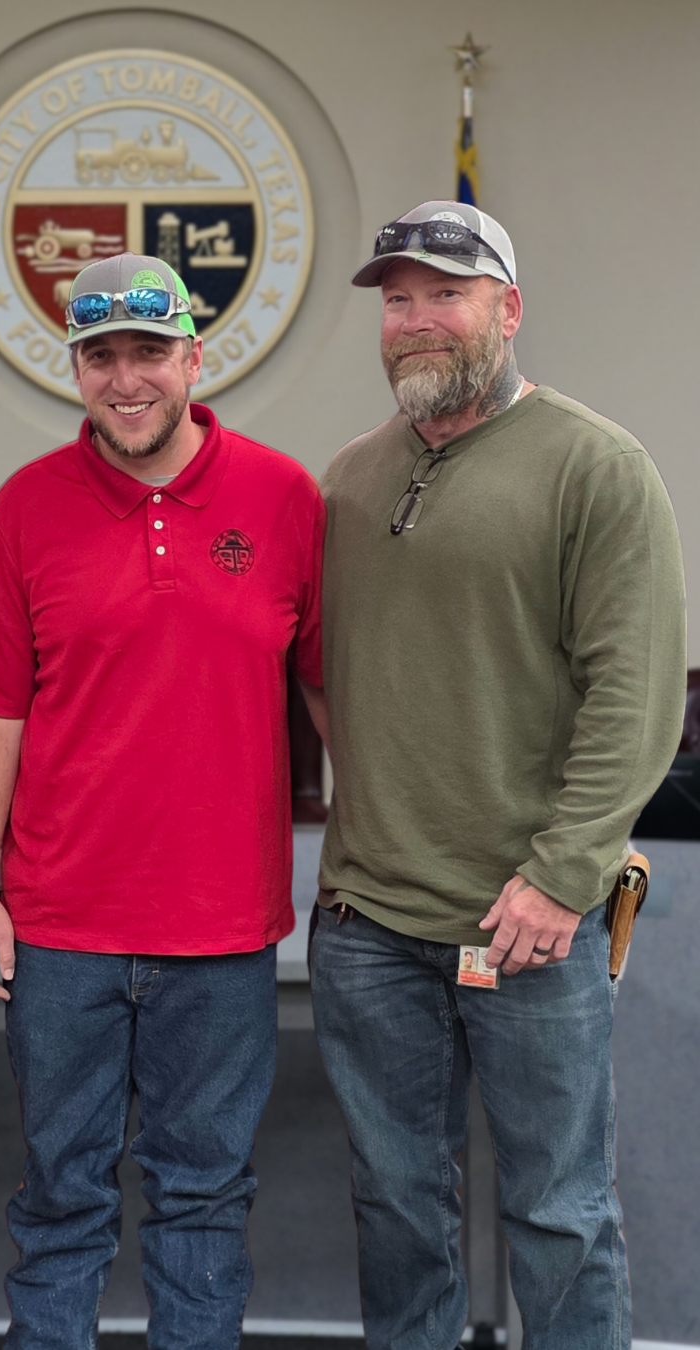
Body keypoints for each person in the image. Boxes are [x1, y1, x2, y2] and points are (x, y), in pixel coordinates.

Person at [311, 201, 686, 1350]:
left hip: (530, 923)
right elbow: (324, 672)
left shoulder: (597, 466)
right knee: (397, 1213)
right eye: (399, 299)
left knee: (561, 1217)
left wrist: (562, 876)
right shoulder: (349, 480)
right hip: (368, 925)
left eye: (448, 293)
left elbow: (637, 697)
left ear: (508, 309)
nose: (419, 320)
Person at [0, 252, 325, 1349]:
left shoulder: (284, 496)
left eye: (149, 354)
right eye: (102, 357)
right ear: (75, 368)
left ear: (193, 359)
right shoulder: (23, 509)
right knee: (59, 1203)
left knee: (204, 1204)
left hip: (223, 930)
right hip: (60, 928)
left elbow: (331, 693)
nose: (127, 380)